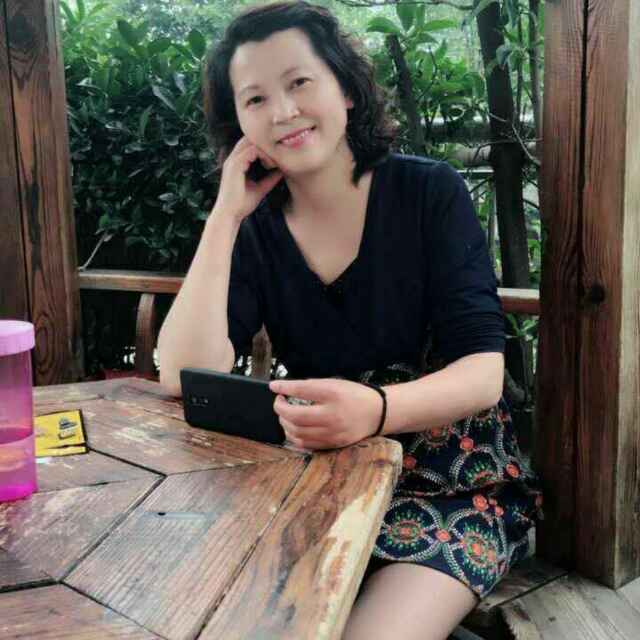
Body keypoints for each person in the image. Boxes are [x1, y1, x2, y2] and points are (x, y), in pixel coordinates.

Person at [157, 2, 542, 638]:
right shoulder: (254, 229)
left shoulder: (429, 193)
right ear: (239, 123)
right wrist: (225, 216)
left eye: (299, 82)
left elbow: (482, 375)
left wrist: (376, 410)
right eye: (255, 99)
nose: (283, 112)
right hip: (318, 479)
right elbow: (180, 373)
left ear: (346, 89)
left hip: (454, 482)